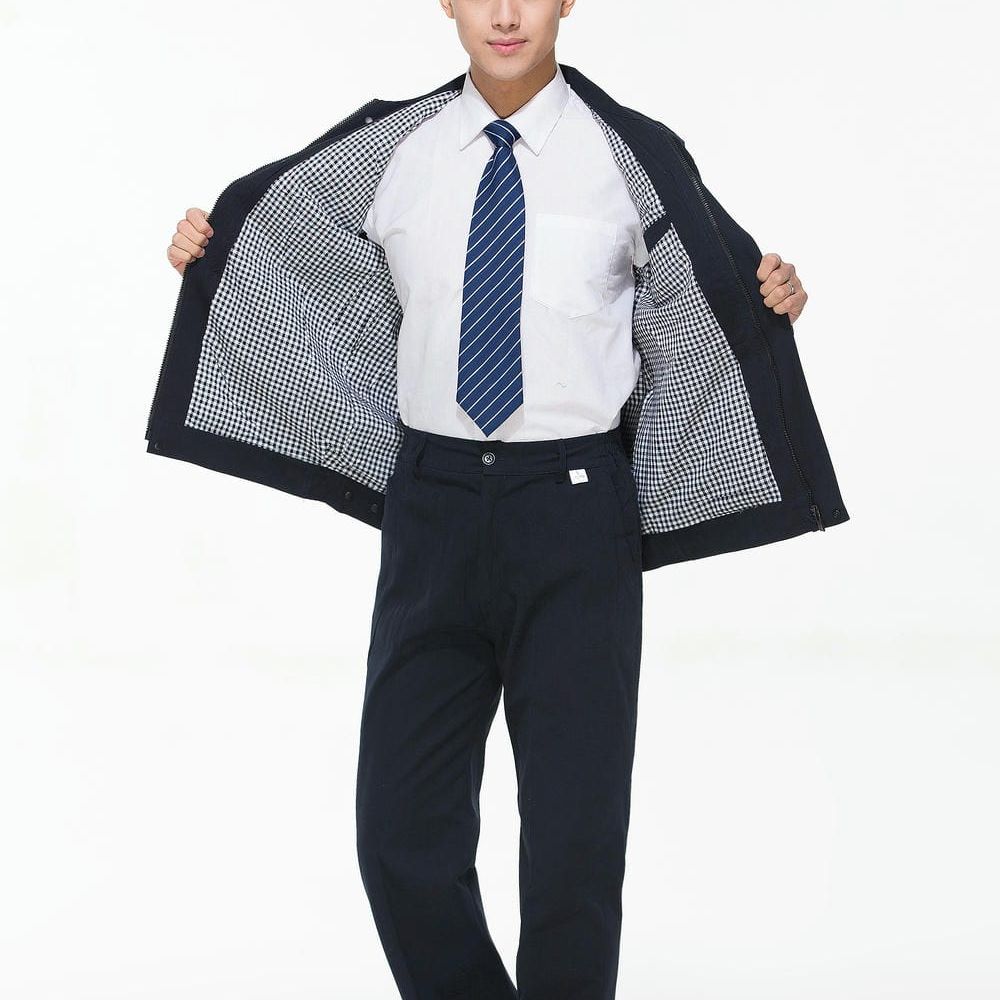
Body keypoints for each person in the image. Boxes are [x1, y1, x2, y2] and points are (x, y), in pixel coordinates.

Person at [155, 3, 842, 997]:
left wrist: (777, 291)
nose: (507, 13)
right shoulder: (395, 152)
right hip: (430, 507)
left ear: (567, 1)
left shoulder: (630, 156)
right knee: (399, 832)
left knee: (572, 842)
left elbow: (717, 287)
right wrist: (207, 249)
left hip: (575, 511)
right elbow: (285, 248)